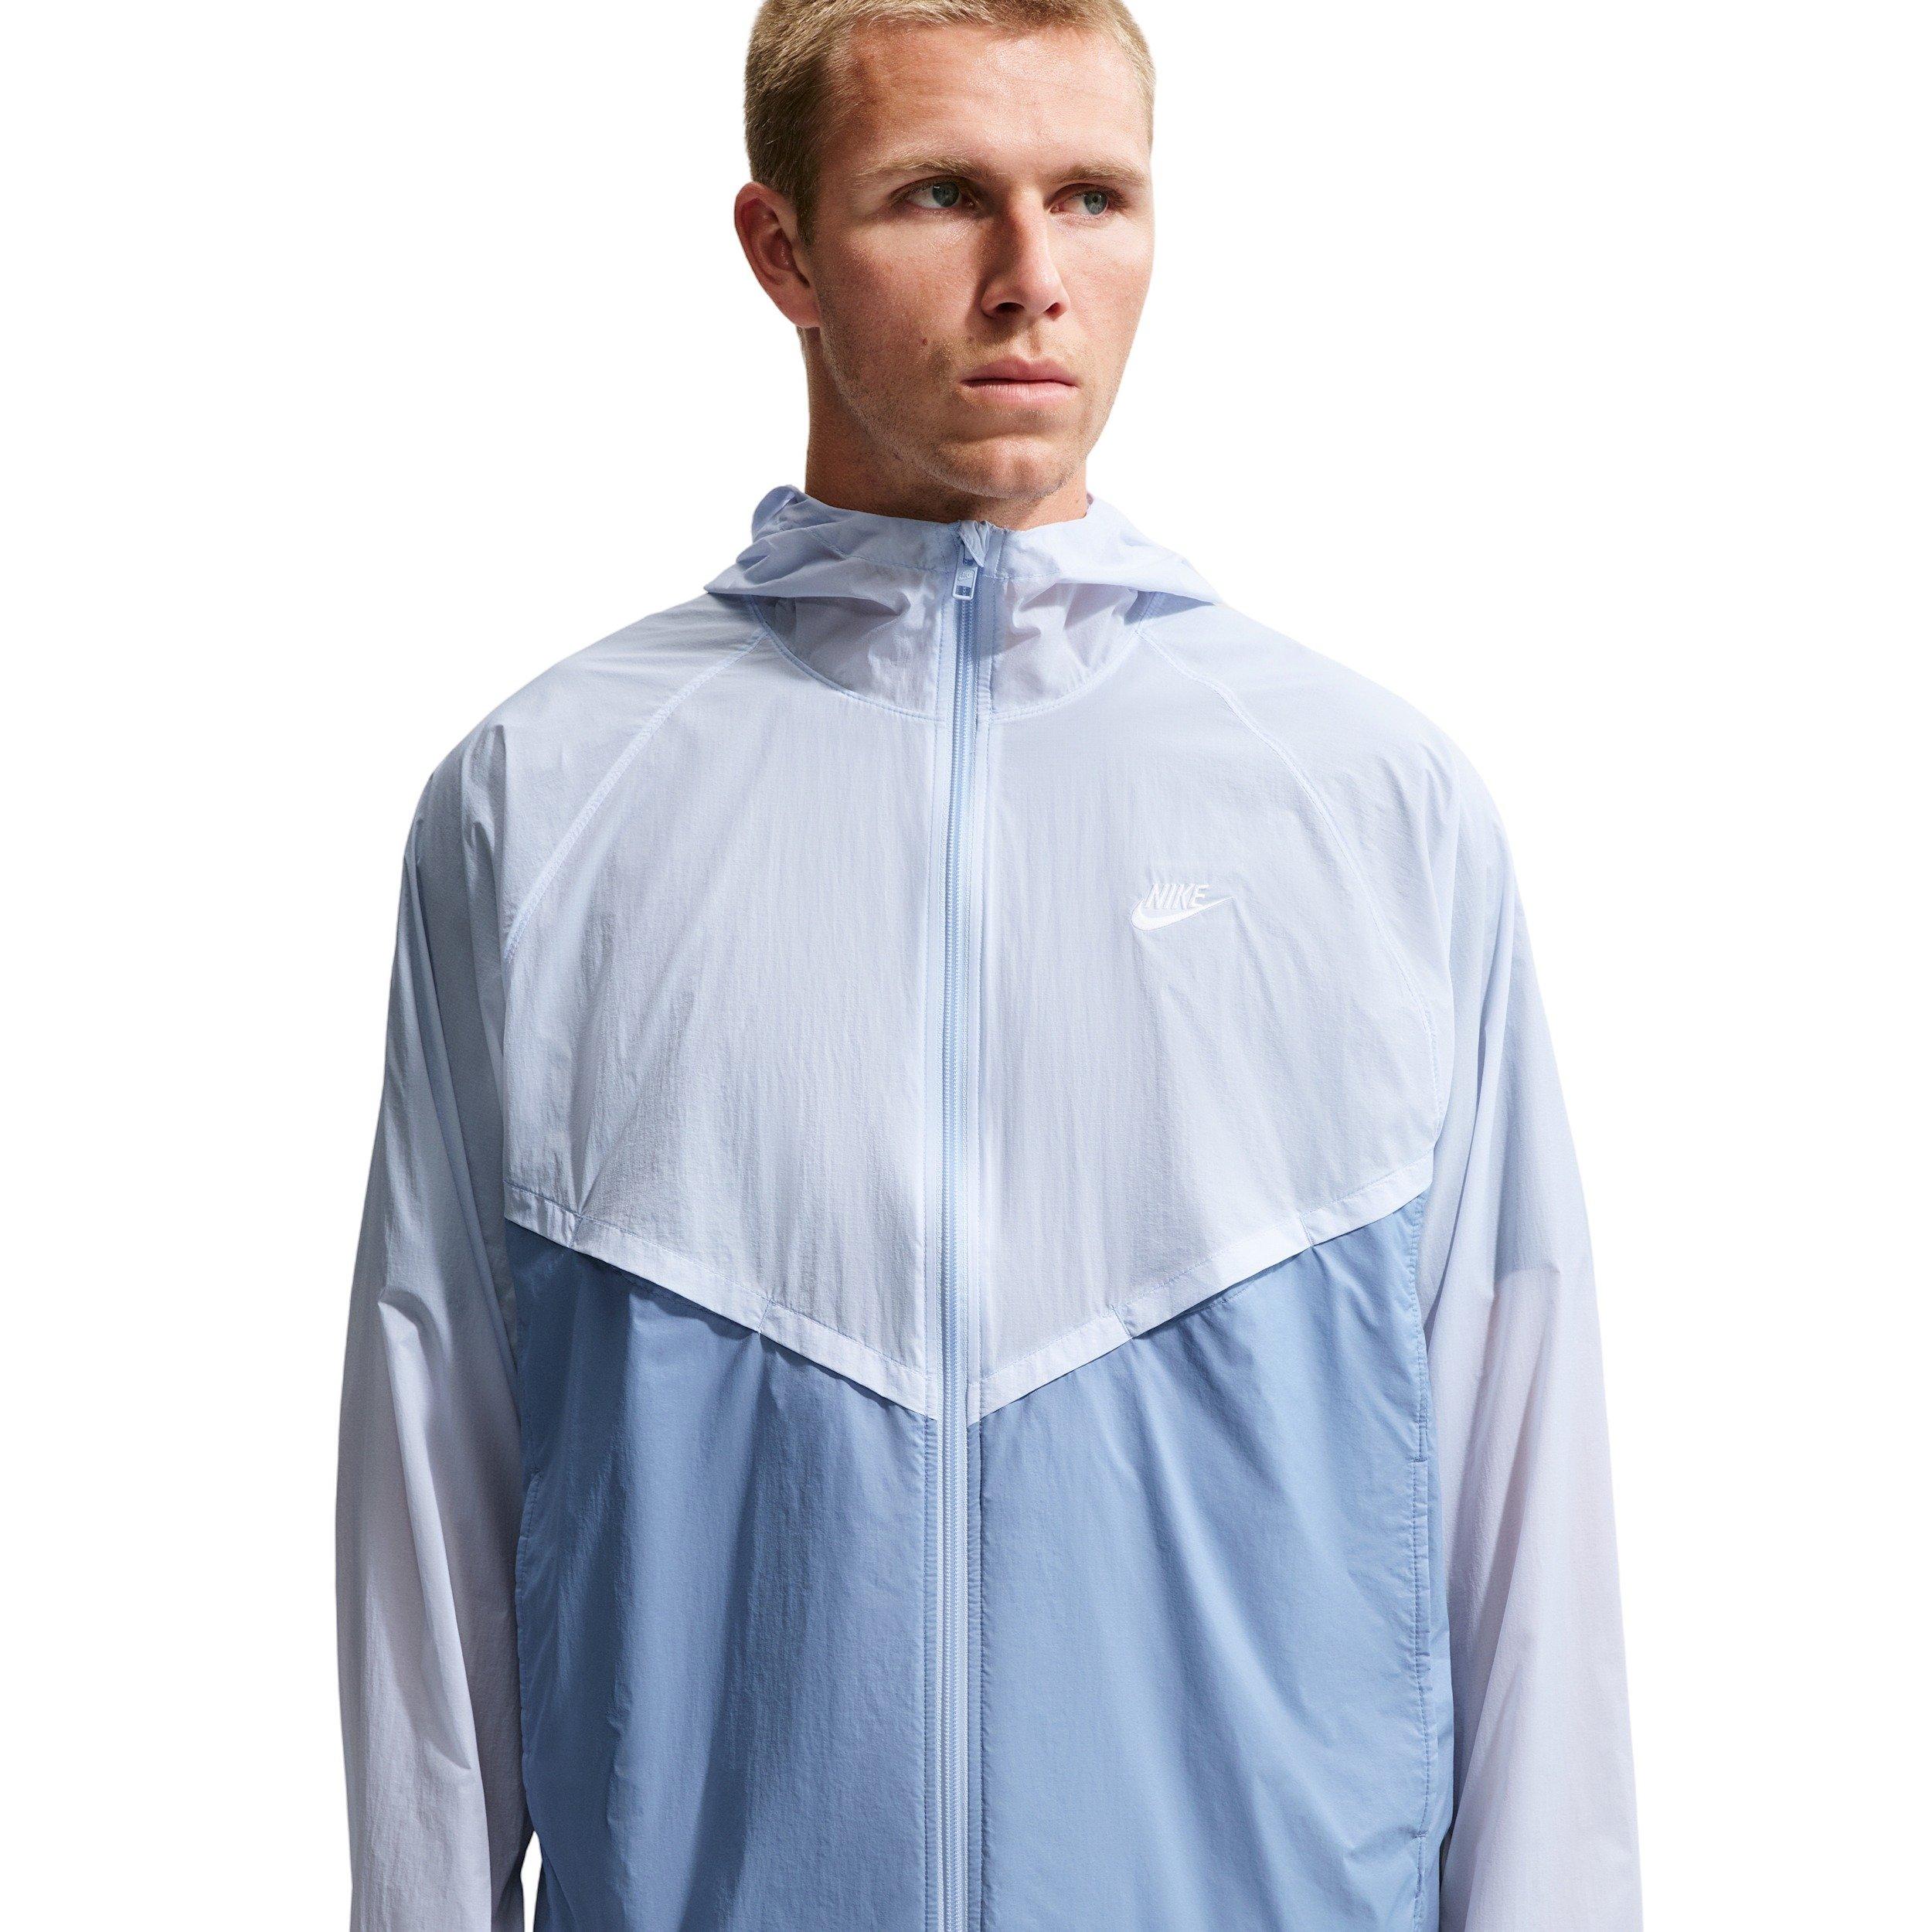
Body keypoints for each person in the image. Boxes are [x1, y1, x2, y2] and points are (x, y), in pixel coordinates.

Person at [335, 2, 1644, 1927]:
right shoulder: (545, 803)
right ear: (781, 247)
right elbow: (430, 1487)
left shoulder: (1368, 803)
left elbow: (1522, 1499)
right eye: (942, 195)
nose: (1032, 275)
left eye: (1092, 196)